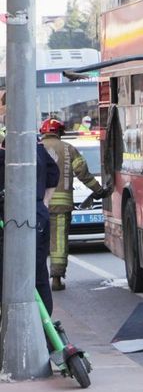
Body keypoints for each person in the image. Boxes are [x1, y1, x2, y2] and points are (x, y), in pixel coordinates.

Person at [40, 118, 108, 291]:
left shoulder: (34, 149)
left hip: (37, 206)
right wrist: (99, 190)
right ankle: (56, 278)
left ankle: (34, 281)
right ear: (60, 132)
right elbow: (83, 173)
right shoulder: (68, 149)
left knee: (36, 241)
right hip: (61, 207)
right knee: (59, 242)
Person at [0, 136, 59, 315]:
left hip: (15, 218)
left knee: (11, 271)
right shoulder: (38, 149)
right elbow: (54, 174)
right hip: (37, 214)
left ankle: (19, 319)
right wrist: (44, 202)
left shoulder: (6, 155)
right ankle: (43, 323)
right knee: (38, 271)